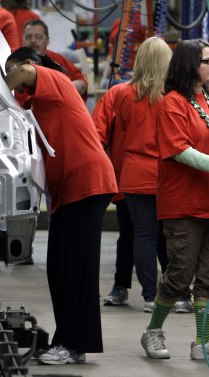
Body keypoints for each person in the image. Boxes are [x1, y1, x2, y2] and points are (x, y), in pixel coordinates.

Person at [4, 47, 117, 365]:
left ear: (27, 64)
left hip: (87, 183)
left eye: (12, 70)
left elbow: (24, 75)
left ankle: (75, 343)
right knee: (60, 268)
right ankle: (67, 340)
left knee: (78, 270)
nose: (16, 82)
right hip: (67, 191)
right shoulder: (36, 100)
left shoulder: (55, 80)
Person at [141, 39, 209, 361]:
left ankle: (204, 341)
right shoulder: (172, 103)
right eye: (207, 61)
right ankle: (152, 332)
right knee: (180, 273)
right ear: (189, 65)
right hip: (184, 203)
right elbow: (178, 149)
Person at [113, 37, 173, 313]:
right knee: (169, 236)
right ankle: (173, 294)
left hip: (134, 173)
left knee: (143, 236)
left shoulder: (124, 94)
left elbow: (122, 127)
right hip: (165, 174)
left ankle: (150, 296)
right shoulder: (173, 96)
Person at [92, 81, 134, 307]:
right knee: (128, 235)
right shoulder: (117, 93)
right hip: (127, 177)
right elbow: (97, 134)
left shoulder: (170, 93)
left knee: (165, 240)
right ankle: (121, 287)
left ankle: (174, 293)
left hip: (164, 180)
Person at [22, 19, 88, 102]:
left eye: (39, 36)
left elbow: (81, 81)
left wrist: (72, 87)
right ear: (22, 40)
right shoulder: (14, 62)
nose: (33, 41)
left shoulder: (56, 59)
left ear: (47, 40)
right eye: (28, 37)